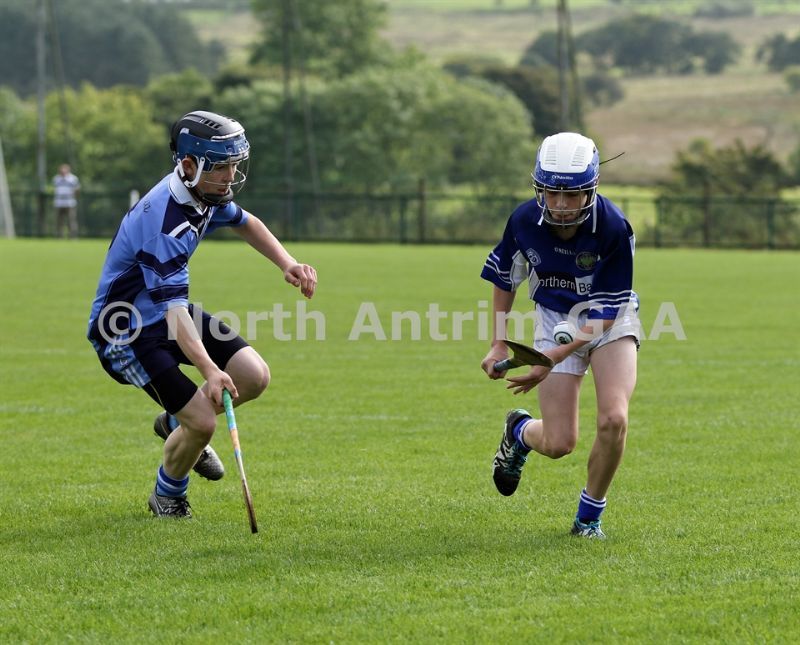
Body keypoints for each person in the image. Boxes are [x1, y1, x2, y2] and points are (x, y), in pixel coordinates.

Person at [87, 110, 317, 519]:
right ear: (189, 165)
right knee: (204, 423)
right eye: (221, 167)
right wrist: (210, 371)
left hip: (164, 313)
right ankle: (168, 495)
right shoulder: (165, 225)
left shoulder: (204, 194)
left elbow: (246, 222)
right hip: (125, 330)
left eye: (235, 165)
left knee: (253, 376)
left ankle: (175, 424)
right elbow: (176, 314)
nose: (231, 176)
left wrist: (288, 263)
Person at [480, 132, 640, 539]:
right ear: (540, 189)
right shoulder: (523, 221)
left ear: (591, 189)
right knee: (558, 443)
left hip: (610, 319)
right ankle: (519, 431)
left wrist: (550, 358)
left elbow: (607, 313)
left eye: (572, 195)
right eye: (553, 193)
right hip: (554, 318)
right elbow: (504, 279)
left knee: (614, 418)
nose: (562, 205)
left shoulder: (613, 227)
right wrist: (498, 342)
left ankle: (588, 519)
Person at [53, 163, 80, 238]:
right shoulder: (56, 179)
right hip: (59, 203)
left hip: (69, 203)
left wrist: (73, 196)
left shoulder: (73, 179)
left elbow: (77, 189)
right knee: (59, 221)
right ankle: (59, 236)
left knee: (71, 220)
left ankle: (72, 236)